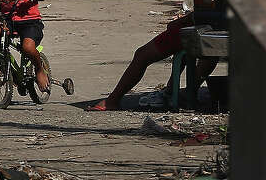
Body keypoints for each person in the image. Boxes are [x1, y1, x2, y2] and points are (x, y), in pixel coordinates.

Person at [88, 12, 217, 111]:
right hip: (221, 24)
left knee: (142, 54)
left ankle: (112, 100)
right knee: (211, 50)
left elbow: (201, 13)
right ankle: (185, 90)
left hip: (205, 23)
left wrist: (182, 21)